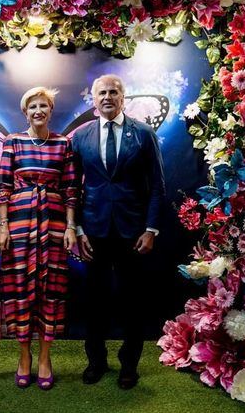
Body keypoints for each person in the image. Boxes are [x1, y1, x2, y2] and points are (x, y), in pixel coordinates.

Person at [72, 74, 166, 390]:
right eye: (102, 92)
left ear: (123, 97)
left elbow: (157, 185)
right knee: (94, 302)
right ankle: (95, 362)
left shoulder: (143, 133)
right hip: (94, 232)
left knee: (132, 303)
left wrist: (151, 228)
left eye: (114, 91)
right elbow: (73, 187)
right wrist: (79, 228)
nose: (108, 97)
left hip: (133, 232)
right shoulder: (81, 137)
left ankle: (129, 365)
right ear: (94, 99)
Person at [0, 87, 79, 390]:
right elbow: (3, 185)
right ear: (24, 112)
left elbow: (71, 188)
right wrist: (3, 225)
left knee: (50, 289)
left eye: (44, 105)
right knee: (19, 288)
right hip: (19, 223)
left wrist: (70, 227)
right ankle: (23, 356)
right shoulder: (12, 142)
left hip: (54, 224)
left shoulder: (63, 144)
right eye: (33, 106)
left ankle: (45, 357)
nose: (38, 111)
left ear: (51, 110)